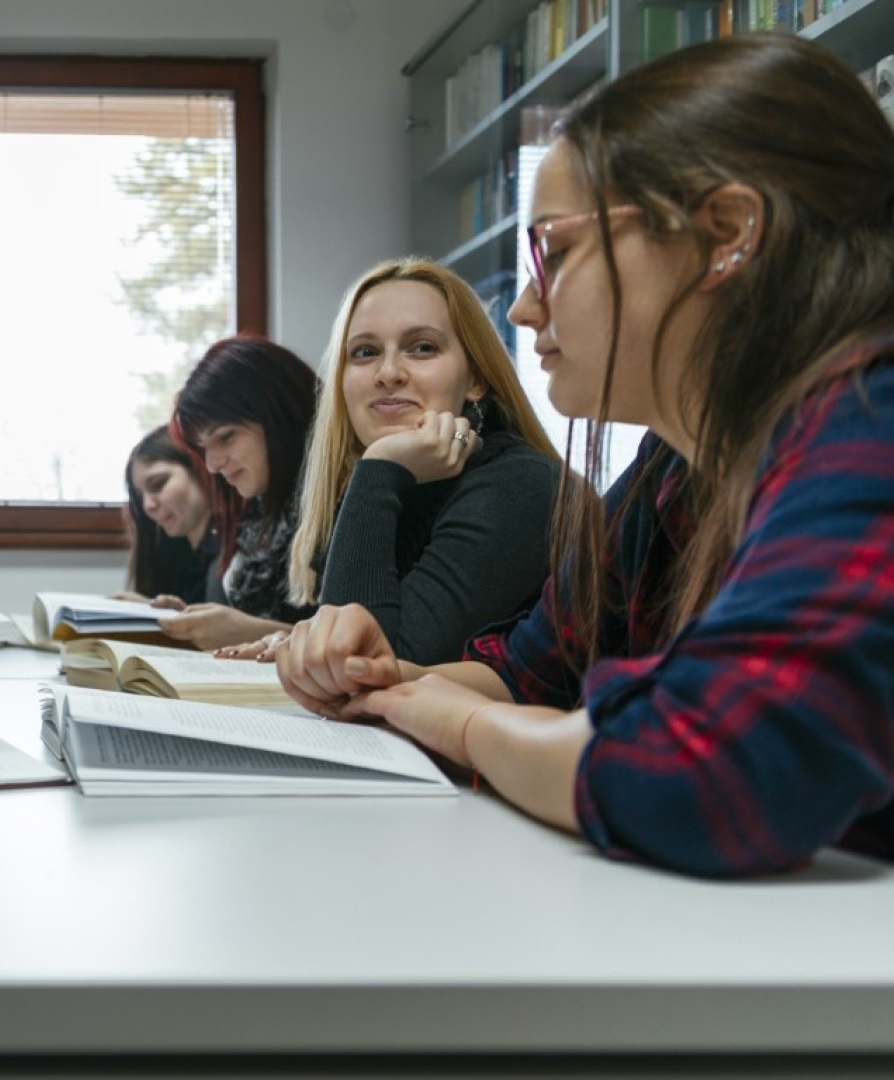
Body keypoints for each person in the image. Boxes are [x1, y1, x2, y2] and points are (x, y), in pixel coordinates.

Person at [275, 35, 894, 877]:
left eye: (556, 253)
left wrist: (461, 725)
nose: (524, 308)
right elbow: (531, 672)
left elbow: (702, 776)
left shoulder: (869, 425)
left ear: (725, 234)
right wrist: (380, 682)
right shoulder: (673, 467)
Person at [227, 259, 563, 665]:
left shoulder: (520, 485)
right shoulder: (400, 488)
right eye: (365, 352)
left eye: (422, 347)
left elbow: (362, 665)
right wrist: (297, 641)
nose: (388, 373)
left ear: (475, 379)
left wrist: (378, 468)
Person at [162, 334, 320, 650]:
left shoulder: (344, 500)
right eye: (204, 448)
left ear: (279, 414)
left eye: (226, 437)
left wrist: (249, 633)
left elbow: (367, 648)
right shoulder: (261, 507)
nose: (212, 465)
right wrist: (189, 620)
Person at [118, 425, 218, 606]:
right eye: (140, 496)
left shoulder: (240, 558)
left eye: (158, 484)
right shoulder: (176, 559)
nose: (147, 506)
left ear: (201, 468)